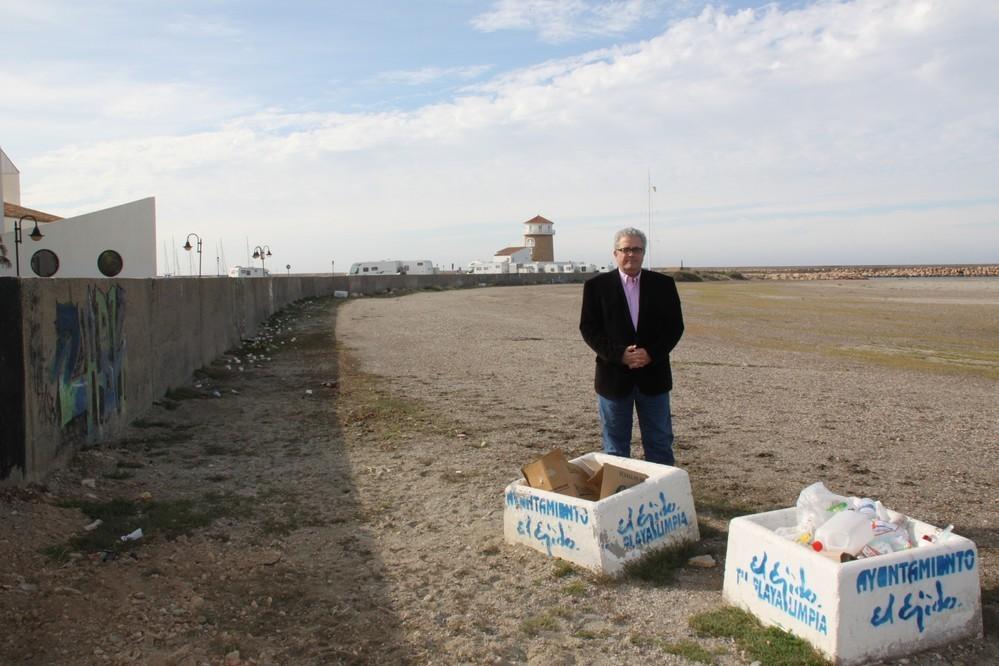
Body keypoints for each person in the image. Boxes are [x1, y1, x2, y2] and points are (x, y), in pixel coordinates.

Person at [579, 227, 684, 465]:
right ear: (615, 253)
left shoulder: (663, 285)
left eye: (636, 249)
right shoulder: (596, 287)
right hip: (613, 379)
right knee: (615, 449)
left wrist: (651, 354)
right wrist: (619, 355)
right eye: (625, 249)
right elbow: (589, 329)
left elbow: (675, 327)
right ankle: (618, 498)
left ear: (643, 253)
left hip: (654, 378)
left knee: (659, 444)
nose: (631, 254)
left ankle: (661, 499)